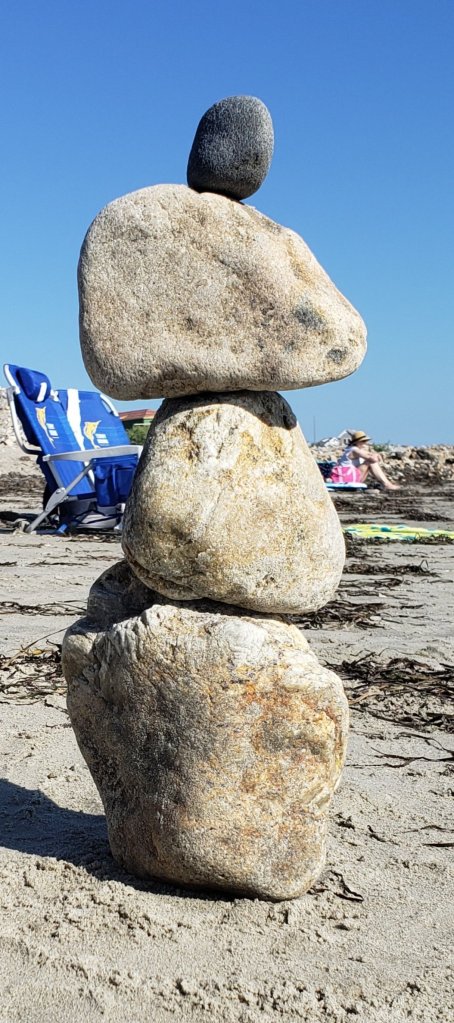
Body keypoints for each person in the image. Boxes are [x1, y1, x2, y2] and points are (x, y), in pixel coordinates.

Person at [330, 430, 400, 490]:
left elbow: (369, 454)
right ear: (356, 442)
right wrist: (376, 455)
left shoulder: (353, 449)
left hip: (350, 476)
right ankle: (387, 484)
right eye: (363, 441)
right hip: (348, 477)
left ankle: (386, 484)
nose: (366, 442)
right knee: (370, 462)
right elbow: (373, 459)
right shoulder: (354, 450)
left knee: (369, 461)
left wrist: (375, 454)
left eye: (366, 441)